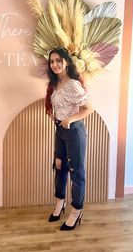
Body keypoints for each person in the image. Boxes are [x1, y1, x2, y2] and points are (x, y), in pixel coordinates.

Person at [45, 47, 93, 231]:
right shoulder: (55, 83)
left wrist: (69, 119)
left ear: (66, 62)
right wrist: (54, 115)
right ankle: (59, 203)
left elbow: (88, 108)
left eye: (58, 60)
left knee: (77, 172)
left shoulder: (73, 84)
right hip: (60, 130)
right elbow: (58, 105)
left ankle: (76, 211)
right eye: (52, 61)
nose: (55, 64)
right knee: (59, 166)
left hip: (74, 132)